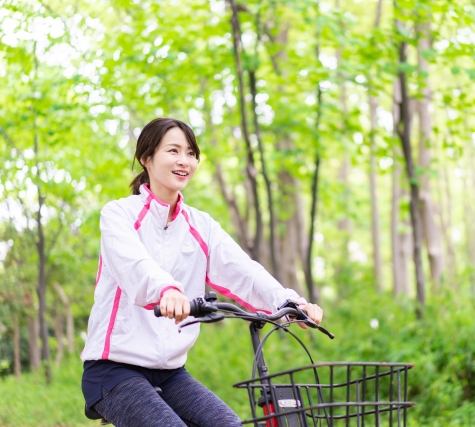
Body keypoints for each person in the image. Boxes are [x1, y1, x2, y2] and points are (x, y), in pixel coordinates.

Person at [81, 117, 323, 427]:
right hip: (113, 370)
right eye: (173, 151)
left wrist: (289, 302)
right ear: (146, 158)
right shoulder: (119, 215)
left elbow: (243, 271)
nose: (184, 161)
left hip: (170, 372)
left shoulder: (200, 226)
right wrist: (167, 291)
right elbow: (135, 266)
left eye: (191, 153)